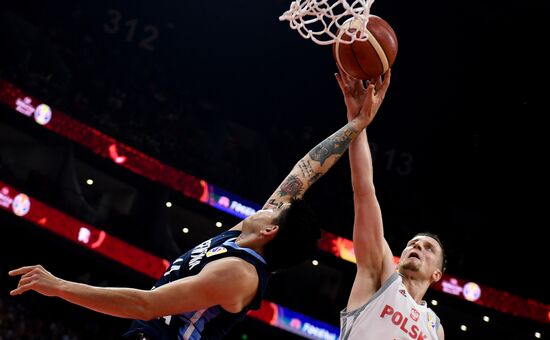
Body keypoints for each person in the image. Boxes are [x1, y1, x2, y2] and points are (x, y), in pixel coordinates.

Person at [8, 79, 387, 340]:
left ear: (271, 230)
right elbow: (305, 170)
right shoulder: (247, 236)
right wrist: (356, 123)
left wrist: (58, 286)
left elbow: (146, 303)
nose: (272, 204)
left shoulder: (240, 274)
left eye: (276, 210)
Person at [335, 68, 446, 340]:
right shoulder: (380, 274)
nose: (416, 245)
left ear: (436, 275)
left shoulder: (434, 328)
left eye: (428, 248)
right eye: (413, 243)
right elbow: (364, 191)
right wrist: (357, 124)